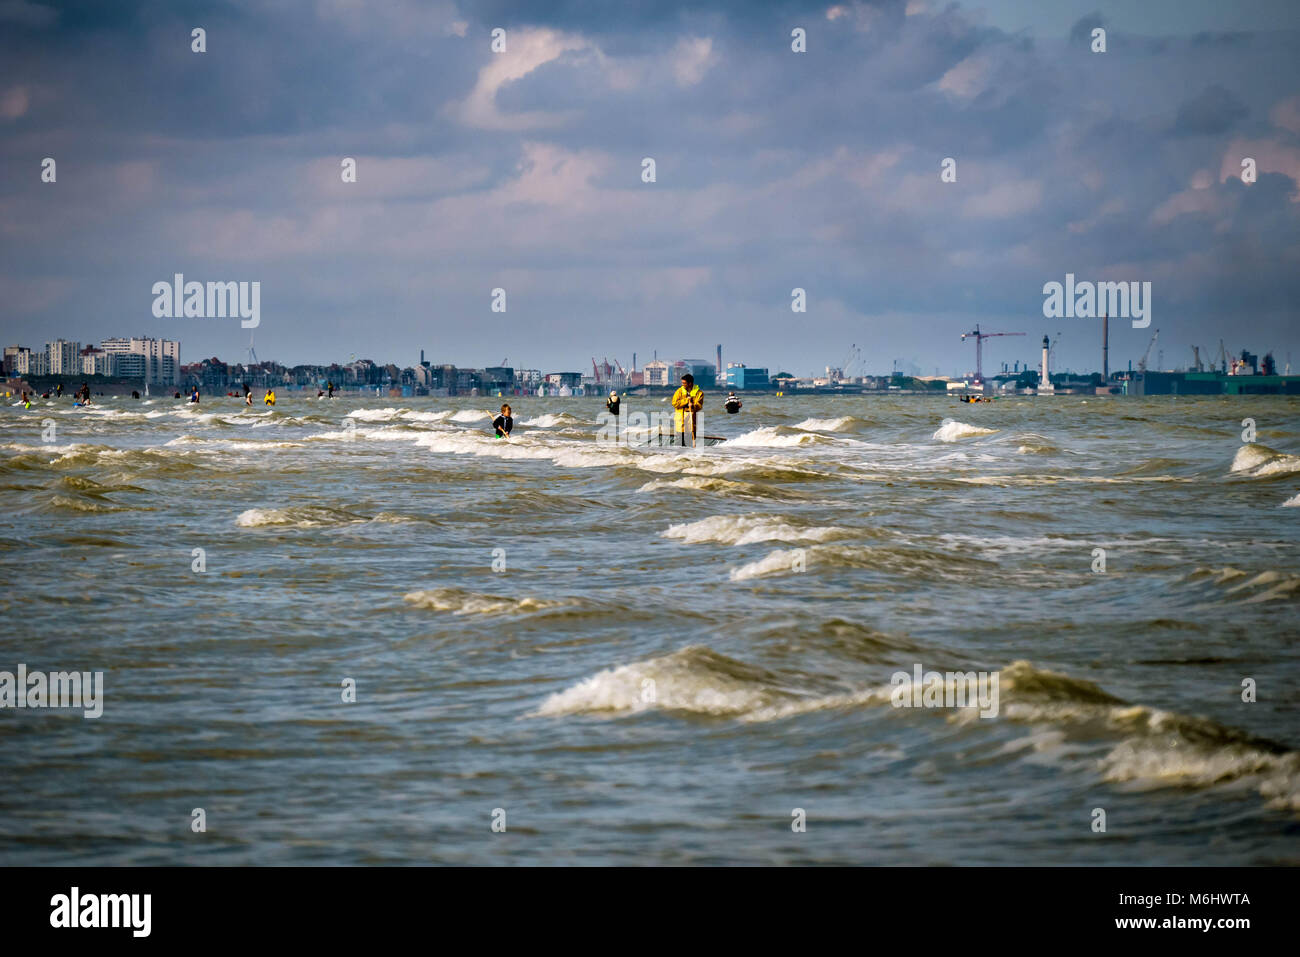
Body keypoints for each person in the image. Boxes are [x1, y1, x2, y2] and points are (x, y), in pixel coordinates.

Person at [671, 373, 704, 446]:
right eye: (682, 383)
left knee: (689, 444)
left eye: (684, 383)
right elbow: (674, 403)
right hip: (681, 423)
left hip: (691, 423)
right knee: (680, 444)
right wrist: (686, 401)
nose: (682, 384)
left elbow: (699, 406)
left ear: (690, 383)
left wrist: (693, 406)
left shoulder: (699, 393)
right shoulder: (679, 391)